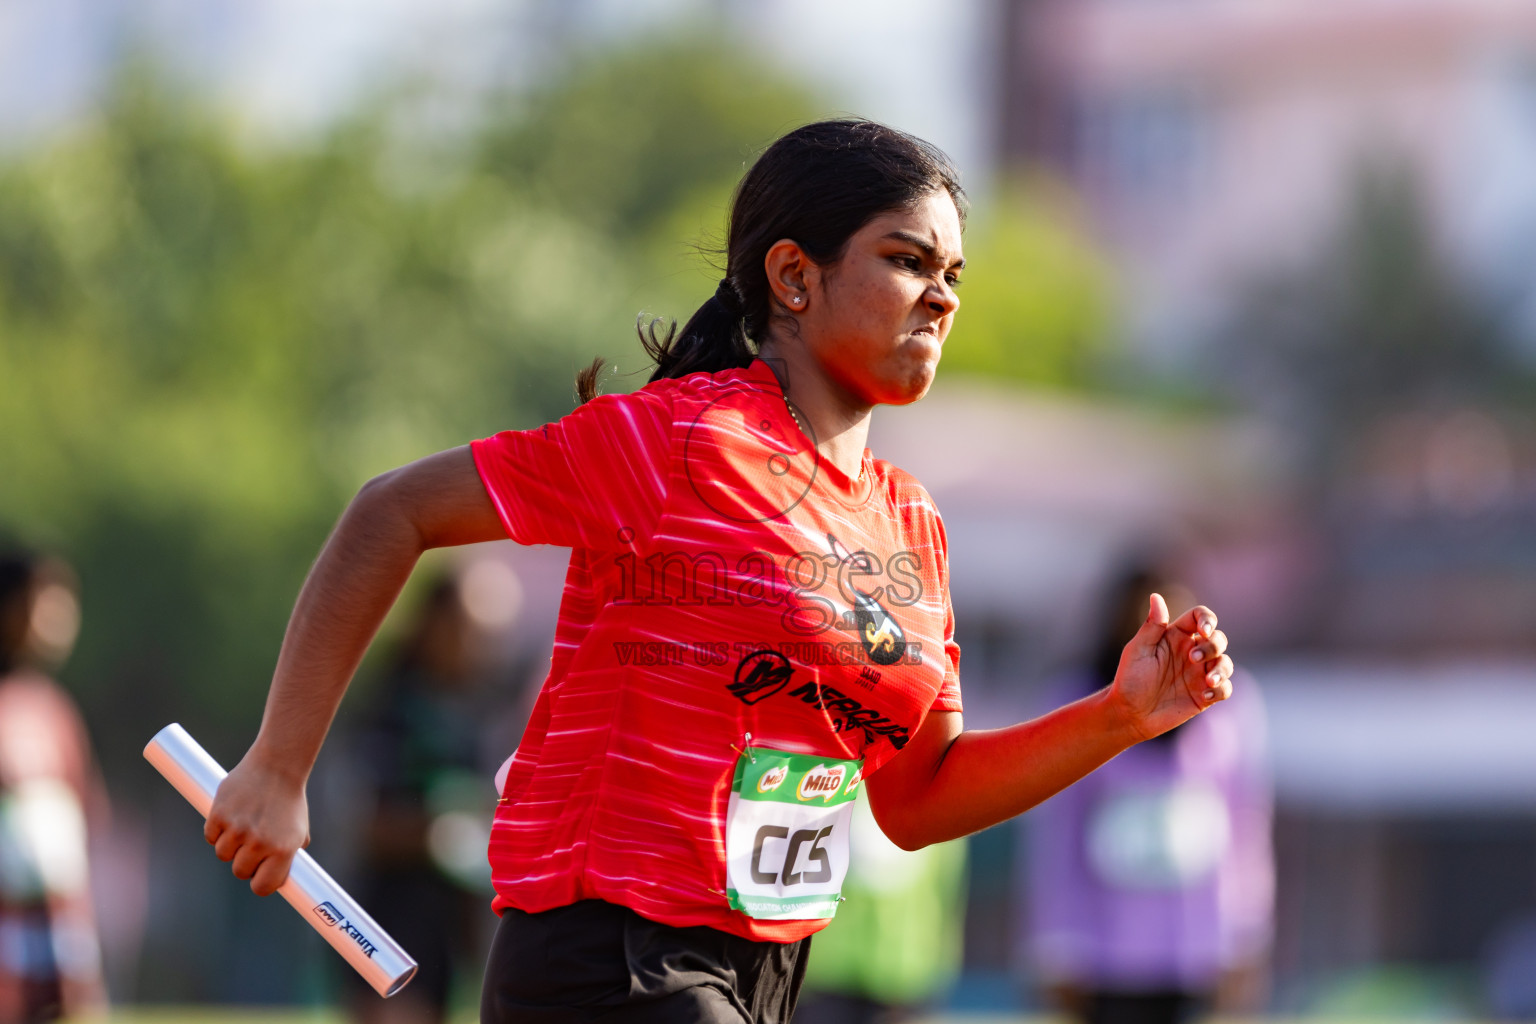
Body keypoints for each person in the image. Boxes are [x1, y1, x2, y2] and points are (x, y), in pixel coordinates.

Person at [202, 119, 1236, 1024]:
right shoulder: (680, 442)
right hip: (609, 954)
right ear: (795, 275)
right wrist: (278, 767)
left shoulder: (908, 521)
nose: (940, 298)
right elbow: (395, 510)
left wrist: (1118, 717)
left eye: (953, 274)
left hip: (770, 968)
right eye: (908, 259)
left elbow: (917, 798)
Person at [1022, 563, 1273, 1024]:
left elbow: (1245, 831)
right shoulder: (1079, 701)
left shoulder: (1227, 709)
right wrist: (1057, 946)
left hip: (1195, 952)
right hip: (1106, 957)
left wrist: (1246, 936)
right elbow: (1058, 838)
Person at [343, 575, 499, 1024]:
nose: (479, 645)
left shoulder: (473, 715)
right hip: (386, 921)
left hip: (442, 931)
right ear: (433, 624)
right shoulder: (392, 709)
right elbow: (367, 826)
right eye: (469, 629)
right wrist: (444, 830)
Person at [0, 552, 108, 1022]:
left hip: (53, 921)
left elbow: (84, 816)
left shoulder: (54, 711)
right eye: (44, 601)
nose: (58, 618)